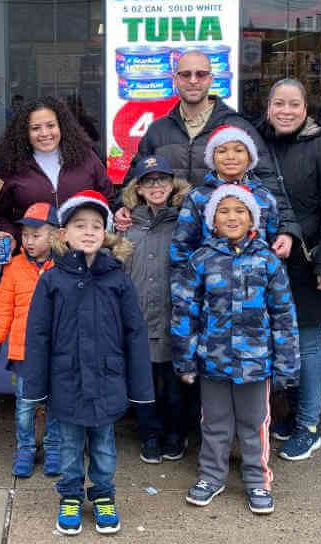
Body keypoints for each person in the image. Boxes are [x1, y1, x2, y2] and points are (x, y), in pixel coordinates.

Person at [21, 190, 153, 536]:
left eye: (97, 225)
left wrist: (139, 386)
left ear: (106, 233)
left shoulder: (117, 279)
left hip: (108, 381)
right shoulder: (52, 280)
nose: (89, 231)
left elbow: (135, 333)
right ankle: (70, 495)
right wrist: (34, 385)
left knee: (104, 447)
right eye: (80, 225)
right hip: (67, 380)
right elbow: (38, 335)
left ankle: (104, 494)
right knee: (68, 446)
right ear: (63, 234)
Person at [172, 184, 299, 514]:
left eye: (240, 210)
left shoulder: (267, 261)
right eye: (224, 211)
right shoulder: (201, 259)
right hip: (212, 360)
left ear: (252, 218)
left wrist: (287, 362)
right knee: (214, 423)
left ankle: (257, 479)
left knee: (254, 423)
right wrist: (185, 359)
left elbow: (284, 314)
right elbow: (186, 309)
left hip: (256, 363)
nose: (231, 216)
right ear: (212, 220)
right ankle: (211, 476)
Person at [114, 49, 300, 256]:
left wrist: (286, 228)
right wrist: (122, 206)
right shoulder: (158, 130)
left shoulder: (237, 127)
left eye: (200, 74)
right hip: (171, 242)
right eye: (186, 74)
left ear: (211, 79)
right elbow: (135, 179)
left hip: (227, 247)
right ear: (175, 79)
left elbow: (268, 178)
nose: (193, 80)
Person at [254, 79, 321, 462]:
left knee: (307, 343)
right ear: (268, 106)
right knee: (280, 342)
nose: (286, 111)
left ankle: (309, 426)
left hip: (309, 261)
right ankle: (291, 414)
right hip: (270, 260)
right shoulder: (260, 144)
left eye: (294, 104)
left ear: (307, 108)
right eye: (279, 103)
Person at [117, 154, 196, 465]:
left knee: (175, 387)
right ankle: (149, 433)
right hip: (139, 321)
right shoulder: (127, 228)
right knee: (144, 384)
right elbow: (119, 273)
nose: (156, 186)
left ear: (172, 184)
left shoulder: (185, 223)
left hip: (174, 322)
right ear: (138, 188)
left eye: (162, 179)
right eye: (149, 181)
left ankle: (176, 433)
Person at [0, 202, 61, 479]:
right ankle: (25, 448)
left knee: (55, 403)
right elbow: (3, 306)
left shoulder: (63, 267)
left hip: (55, 352)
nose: (28, 241)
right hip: (23, 352)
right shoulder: (14, 267)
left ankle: (53, 447)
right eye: (25, 235)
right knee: (25, 404)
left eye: (36, 235)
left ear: (55, 236)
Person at [0, 96, 113, 245]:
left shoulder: (86, 158)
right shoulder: (12, 166)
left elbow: (108, 199)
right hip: (34, 258)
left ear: (61, 126)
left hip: (82, 257)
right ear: (24, 132)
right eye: (35, 128)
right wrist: (11, 235)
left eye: (50, 125)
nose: (44, 133)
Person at [171, 125, 283, 272]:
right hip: (211, 288)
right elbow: (181, 246)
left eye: (239, 150)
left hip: (255, 287)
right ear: (212, 157)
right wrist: (185, 289)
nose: (230, 157)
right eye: (222, 151)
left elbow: (276, 248)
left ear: (249, 157)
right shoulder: (197, 198)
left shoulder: (265, 197)